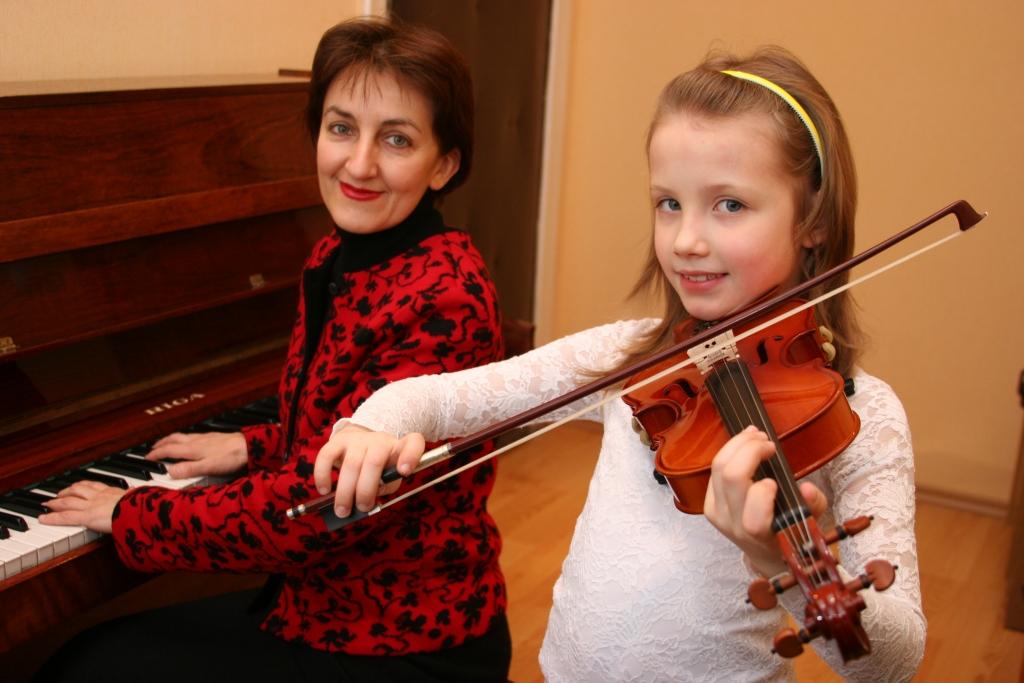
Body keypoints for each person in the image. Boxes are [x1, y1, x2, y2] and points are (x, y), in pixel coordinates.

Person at [312, 46, 925, 681]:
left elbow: (893, 662)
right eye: (669, 202)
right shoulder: (633, 360)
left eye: (730, 205)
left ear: (814, 221)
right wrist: (374, 422)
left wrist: (784, 566)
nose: (686, 239)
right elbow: (451, 397)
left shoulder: (860, 412)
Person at [36, 16, 511, 683]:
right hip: (316, 602)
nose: (359, 163)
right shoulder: (336, 256)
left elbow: (320, 506)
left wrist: (131, 511)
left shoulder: (443, 294)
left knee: (85, 666)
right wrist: (252, 444)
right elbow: (341, 428)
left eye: (396, 139)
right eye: (341, 127)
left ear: (446, 164)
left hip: (399, 638)